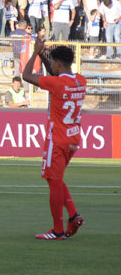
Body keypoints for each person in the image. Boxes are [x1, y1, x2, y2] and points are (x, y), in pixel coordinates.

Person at [22, 40, 86, 240]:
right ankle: (73, 215)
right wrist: (43, 54)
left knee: (53, 180)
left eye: (53, 62)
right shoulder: (81, 81)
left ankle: (58, 230)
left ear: (58, 64)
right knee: (56, 180)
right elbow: (55, 74)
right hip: (73, 137)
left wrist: (35, 54)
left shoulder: (56, 83)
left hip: (56, 138)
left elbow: (26, 76)